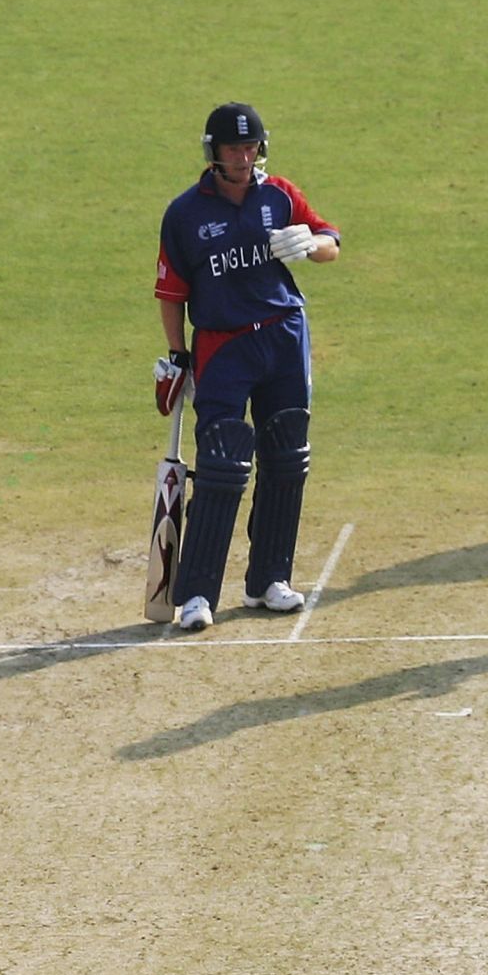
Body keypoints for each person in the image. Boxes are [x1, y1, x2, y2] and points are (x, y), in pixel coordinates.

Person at [153, 102, 340, 632]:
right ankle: (195, 594)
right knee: (221, 464)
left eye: (251, 146)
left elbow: (331, 243)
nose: (244, 156)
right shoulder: (185, 213)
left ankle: (268, 580)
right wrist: (178, 357)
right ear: (213, 154)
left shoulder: (280, 194)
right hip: (222, 344)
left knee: (286, 454)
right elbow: (171, 292)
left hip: (283, 335)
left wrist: (312, 244)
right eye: (234, 148)